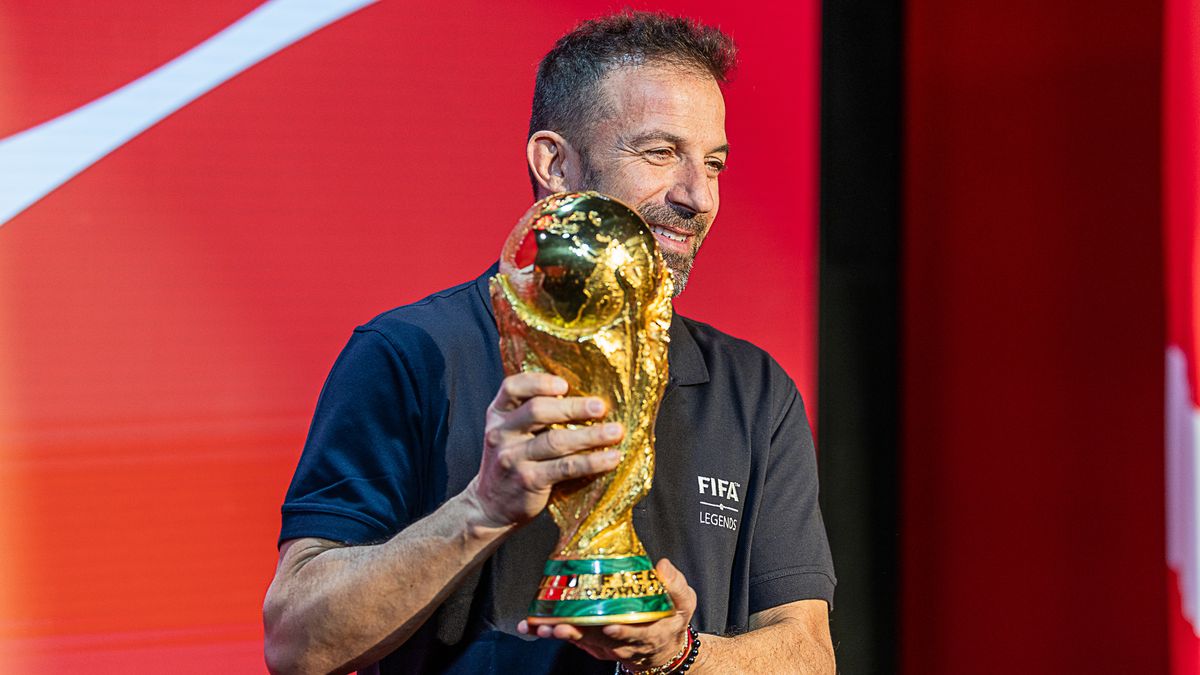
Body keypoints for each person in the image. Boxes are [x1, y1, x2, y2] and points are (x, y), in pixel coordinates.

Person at [263, 11, 835, 675]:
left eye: (713, 162)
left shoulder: (754, 390)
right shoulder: (412, 354)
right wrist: (481, 507)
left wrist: (681, 653)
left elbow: (807, 655)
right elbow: (296, 642)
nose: (697, 196)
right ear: (555, 163)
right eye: (659, 153)